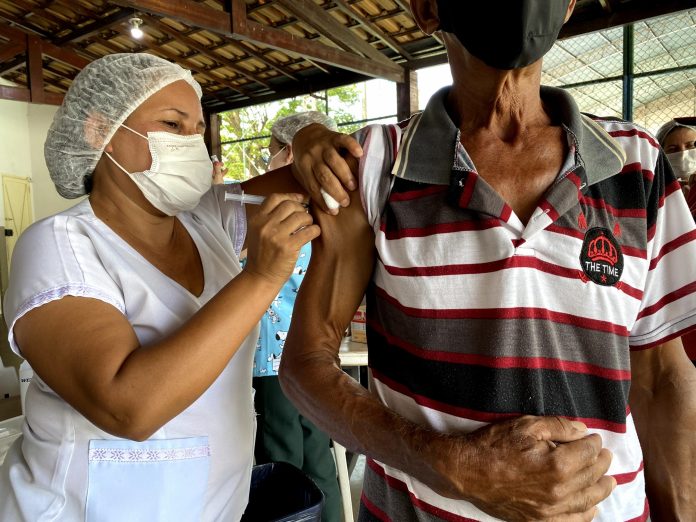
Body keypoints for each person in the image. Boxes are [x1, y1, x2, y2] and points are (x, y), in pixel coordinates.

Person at [280, 1, 696, 521]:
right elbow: (303, 365)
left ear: (567, 6)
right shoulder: (376, 166)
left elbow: (662, 378)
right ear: (428, 8)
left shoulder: (636, 163)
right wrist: (450, 465)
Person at [0, 53, 320, 521]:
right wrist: (261, 278)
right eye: (172, 124)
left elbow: (326, 174)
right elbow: (129, 407)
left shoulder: (207, 219)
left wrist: (310, 135)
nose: (192, 144)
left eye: (197, 130)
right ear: (99, 132)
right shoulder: (58, 245)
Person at [251, 111, 343, 522]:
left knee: (282, 457)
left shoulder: (272, 212)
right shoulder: (330, 208)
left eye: (270, 152)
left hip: (275, 358)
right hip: (317, 353)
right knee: (319, 456)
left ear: (287, 152)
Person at [657, 117, 696, 367]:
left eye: (691, 146)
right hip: (674, 316)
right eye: (673, 150)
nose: (684, 155)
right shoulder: (658, 194)